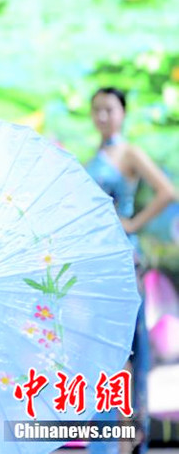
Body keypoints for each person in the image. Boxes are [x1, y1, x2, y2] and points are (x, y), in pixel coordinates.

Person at [86, 87, 176, 454]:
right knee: (104, 350)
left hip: (124, 257)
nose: (103, 117)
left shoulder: (129, 153)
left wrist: (134, 223)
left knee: (124, 349)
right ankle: (106, 439)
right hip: (99, 259)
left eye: (109, 110)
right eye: (97, 111)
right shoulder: (94, 156)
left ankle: (124, 443)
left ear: (123, 112)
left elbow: (167, 191)